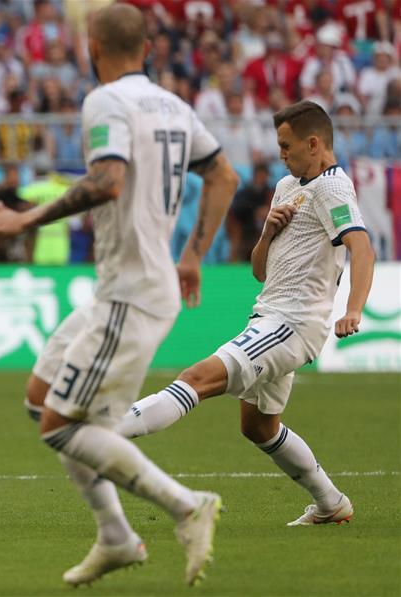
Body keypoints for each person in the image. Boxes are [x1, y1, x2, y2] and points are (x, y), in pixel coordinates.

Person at [0, 4, 240, 587]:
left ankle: (185, 506)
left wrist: (28, 221)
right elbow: (225, 175)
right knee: (40, 397)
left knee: (60, 426)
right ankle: (117, 537)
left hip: (131, 292)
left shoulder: (105, 101)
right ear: (147, 48)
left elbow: (107, 181)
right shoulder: (175, 105)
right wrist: (193, 254)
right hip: (120, 289)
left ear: (91, 48)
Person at [117, 101, 375, 527]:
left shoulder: (333, 188)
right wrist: (268, 232)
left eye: (286, 145)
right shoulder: (288, 186)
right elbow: (260, 270)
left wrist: (354, 308)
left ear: (314, 144)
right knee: (258, 427)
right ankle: (331, 503)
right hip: (270, 316)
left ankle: (105, 430)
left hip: (292, 324)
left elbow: (361, 247)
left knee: (197, 379)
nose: (281, 154)